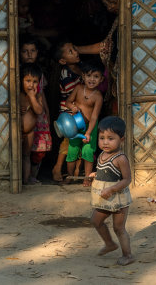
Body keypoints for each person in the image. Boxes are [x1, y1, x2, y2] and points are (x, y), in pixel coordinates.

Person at [89, 115, 134, 266]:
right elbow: (105, 172)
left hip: (118, 199)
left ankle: (127, 255)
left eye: (110, 138)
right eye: (102, 138)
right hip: (104, 198)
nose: (105, 142)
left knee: (119, 228)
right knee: (95, 220)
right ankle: (109, 243)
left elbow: (127, 179)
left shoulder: (120, 158)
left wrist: (112, 188)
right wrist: (95, 174)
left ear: (122, 139)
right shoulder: (102, 154)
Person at [76, 0, 120, 113]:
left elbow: (104, 47)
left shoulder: (128, 21)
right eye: (106, 4)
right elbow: (105, 46)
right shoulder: (117, 20)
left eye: (113, 2)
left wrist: (76, 49)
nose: (110, 7)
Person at [65, 60, 105, 186]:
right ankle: (70, 176)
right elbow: (68, 101)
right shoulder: (78, 89)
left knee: (88, 152)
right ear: (83, 76)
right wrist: (72, 107)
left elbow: (94, 117)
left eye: (96, 76)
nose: (92, 79)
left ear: (101, 79)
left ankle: (87, 178)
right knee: (72, 151)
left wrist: (88, 132)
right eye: (89, 75)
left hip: (90, 128)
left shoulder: (98, 96)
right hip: (75, 126)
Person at [19, 36, 52, 182]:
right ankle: (22, 178)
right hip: (21, 125)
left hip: (36, 121)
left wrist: (47, 113)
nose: (29, 54)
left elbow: (41, 95)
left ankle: (31, 177)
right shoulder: (16, 71)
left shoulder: (39, 74)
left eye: (32, 51)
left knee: (37, 151)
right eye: (25, 51)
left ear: (37, 52)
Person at [52, 40, 82, 182]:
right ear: (63, 61)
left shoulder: (80, 69)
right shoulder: (66, 74)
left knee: (78, 141)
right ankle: (57, 168)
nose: (75, 52)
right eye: (70, 51)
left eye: (74, 48)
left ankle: (75, 171)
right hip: (69, 114)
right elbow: (74, 94)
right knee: (67, 141)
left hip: (78, 112)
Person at [19, 63, 46, 186]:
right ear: (21, 81)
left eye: (35, 82)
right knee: (16, 155)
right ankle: (17, 180)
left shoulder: (37, 96)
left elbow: (39, 111)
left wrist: (32, 97)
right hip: (17, 131)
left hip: (30, 132)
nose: (31, 85)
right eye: (28, 81)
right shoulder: (18, 95)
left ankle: (26, 180)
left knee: (26, 155)